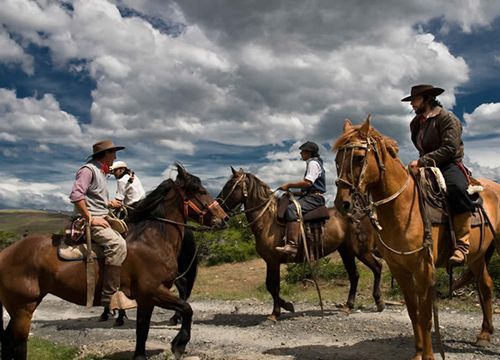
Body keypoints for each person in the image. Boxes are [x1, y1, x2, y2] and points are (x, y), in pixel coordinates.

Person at [402, 84, 475, 265]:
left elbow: (450, 148)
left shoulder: (447, 118)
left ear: (427, 98)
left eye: (415, 100)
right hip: (426, 165)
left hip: (448, 164)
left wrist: (422, 161)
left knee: (458, 189)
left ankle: (462, 245)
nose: (412, 104)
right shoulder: (416, 123)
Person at [69, 139, 128, 317]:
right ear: (105, 155)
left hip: (102, 215)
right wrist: (91, 218)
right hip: (90, 221)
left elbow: (92, 197)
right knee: (117, 245)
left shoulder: (100, 173)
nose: (115, 157)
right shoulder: (88, 170)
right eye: (113, 153)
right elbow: (76, 195)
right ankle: (110, 298)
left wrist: (109, 203)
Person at [275, 141, 326, 255]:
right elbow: (308, 188)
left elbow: (308, 183)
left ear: (309, 152)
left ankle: (293, 245)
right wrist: (291, 193)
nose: (301, 153)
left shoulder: (313, 163)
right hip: (311, 195)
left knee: (291, 209)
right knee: (287, 198)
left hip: (314, 198)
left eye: (302, 151)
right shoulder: (313, 163)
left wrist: (289, 185)